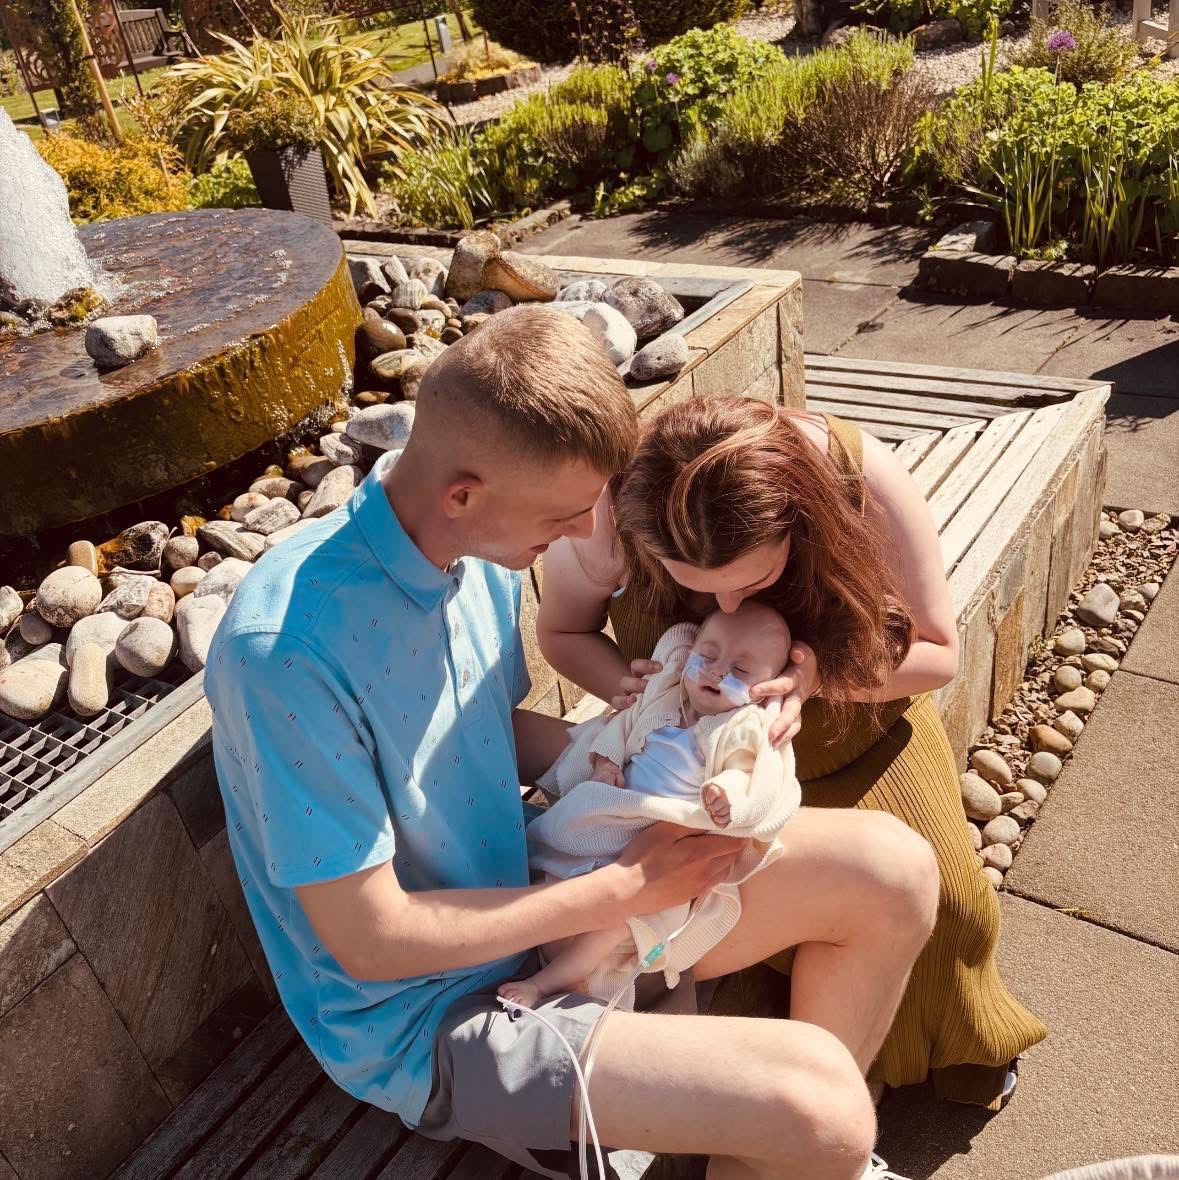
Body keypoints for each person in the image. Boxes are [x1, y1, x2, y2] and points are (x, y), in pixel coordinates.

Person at [205, 306, 938, 1180]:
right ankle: (802, 1142)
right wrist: (625, 887)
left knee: (894, 870)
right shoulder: (284, 654)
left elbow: (479, 737)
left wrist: (650, 738)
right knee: (822, 1108)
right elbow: (371, 942)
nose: (588, 535)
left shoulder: (472, 553)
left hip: (552, 884)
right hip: (436, 1011)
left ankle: (790, 1155)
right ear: (465, 493)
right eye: (564, 514)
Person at [536, 394, 1048, 1110]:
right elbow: (562, 632)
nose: (728, 606)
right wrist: (632, 688)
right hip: (697, 771)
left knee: (954, 908)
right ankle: (818, 1092)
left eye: (752, 581)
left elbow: (939, 653)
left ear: (798, 513)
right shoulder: (609, 516)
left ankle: (934, 1048)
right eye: (695, 586)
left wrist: (820, 679)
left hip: (855, 736)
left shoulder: (857, 478)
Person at [502, 601, 801, 1011]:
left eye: (741, 670)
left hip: (663, 845)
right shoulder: (664, 697)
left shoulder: (743, 726)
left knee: (614, 922)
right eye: (708, 655)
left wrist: (727, 794)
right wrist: (607, 762)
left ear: (767, 690)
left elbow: (755, 775)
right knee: (552, 876)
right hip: (614, 819)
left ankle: (549, 981)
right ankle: (516, 940)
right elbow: (621, 726)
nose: (716, 671)